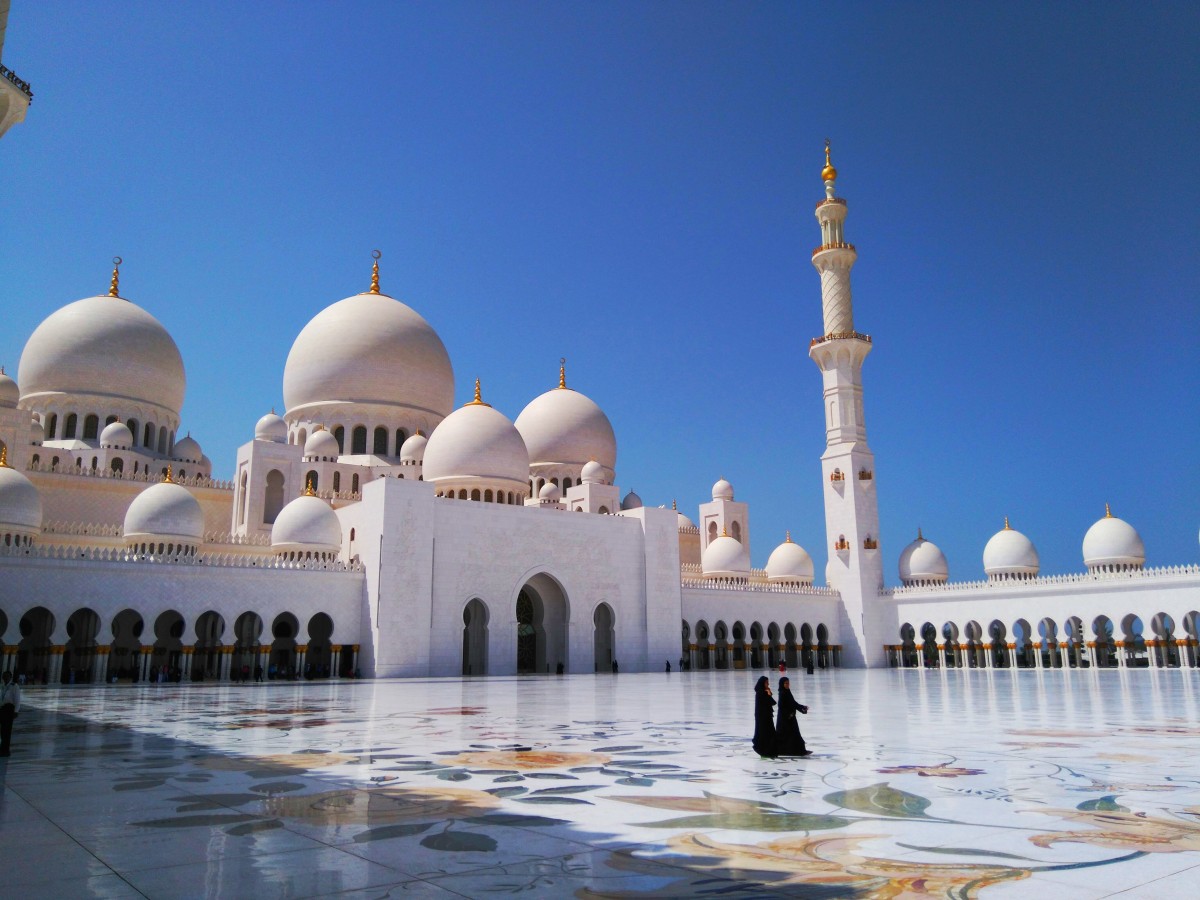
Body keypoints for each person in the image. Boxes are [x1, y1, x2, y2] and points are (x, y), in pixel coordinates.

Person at [775, 676, 811, 757]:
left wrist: (802, 708)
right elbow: (781, 706)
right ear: (782, 684)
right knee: (787, 735)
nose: (787, 685)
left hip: (790, 718)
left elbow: (793, 703)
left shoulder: (787, 692)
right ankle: (791, 751)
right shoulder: (782, 693)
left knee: (794, 735)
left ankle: (798, 750)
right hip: (785, 720)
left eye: (788, 683)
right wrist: (789, 714)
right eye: (786, 683)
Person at [751, 675, 777, 759]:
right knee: (764, 734)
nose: (768, 684)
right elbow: (771, 702)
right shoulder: (760, 693)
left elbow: (773, 703)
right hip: (762, 717)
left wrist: (769, 693)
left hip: (767, 716)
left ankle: (770, 750)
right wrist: (769, 694)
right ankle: (764, 750)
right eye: (766, 682)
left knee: (769, 734)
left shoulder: (764, 691)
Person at [1, 670, 22, 757]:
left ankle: (5, 751)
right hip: (2, 709)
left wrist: (16, 711)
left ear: (10, 677)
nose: (5, 678)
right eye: (3, 676)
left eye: (7, 676)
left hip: (9, 709)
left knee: (7, 730)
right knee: (2, 730)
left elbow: (17, 700)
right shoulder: (3, 686)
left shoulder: (14, 686)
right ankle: (2, 748)